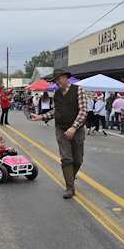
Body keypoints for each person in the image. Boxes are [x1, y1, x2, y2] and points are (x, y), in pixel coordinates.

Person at [31, 69, 88, 198]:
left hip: (77, 130)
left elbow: (84, 111)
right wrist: (40, 117)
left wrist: (74, 127)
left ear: (65, 77)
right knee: (66, 158)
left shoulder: (79, 90)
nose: (57, 82)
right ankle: (70, 188)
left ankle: (70, 179)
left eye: (58, 79)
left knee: (78, 159)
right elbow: (56, 111)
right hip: (61, 129)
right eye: (55, 81)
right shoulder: (56, 94)